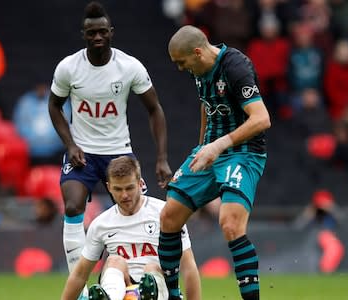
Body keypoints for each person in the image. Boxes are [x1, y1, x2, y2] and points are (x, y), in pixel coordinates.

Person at [48, 2, 172, 298]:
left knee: (136, 209)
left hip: (119, 153)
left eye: (103, 31)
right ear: (84, 35)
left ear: (111, 32)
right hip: (83, 153)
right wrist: (70, 144)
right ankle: (81, 294)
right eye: (92, 32)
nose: (98, 37)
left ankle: (144, 282)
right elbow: (54, 105)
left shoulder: (129, 67)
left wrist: (162, 158)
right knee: (73, 206)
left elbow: (154, 109)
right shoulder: (69, 67)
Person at [159, 25, 271, 300]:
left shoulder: (235, 67)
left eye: (181, 62)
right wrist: (202, 146)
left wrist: (218, 145)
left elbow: (261, 119)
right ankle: (174, 296)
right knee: (169, 216)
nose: (180, 69)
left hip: (242, 152)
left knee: (230, 223)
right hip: (211, 150)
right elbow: (206, 104)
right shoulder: (199, 69)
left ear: (197, 52)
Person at [60, 156, 201, 300]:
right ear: (109, 187)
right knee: (114, 261)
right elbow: (79, 275)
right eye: (118, 189)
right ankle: (111, 297)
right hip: (123, 290)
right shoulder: (101, 224)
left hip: (163, 290)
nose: (124, 195)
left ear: (140, 184)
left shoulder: (166, 214)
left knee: (152, 268)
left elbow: (188, 267)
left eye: (129, 188)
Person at [13, 83, 69, 165]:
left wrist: (51, 141)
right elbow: (20, 126)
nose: (41, 89)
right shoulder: (25, 102)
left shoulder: (58, 100)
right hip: (31, 153)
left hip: (55, 152)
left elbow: (65, 123)